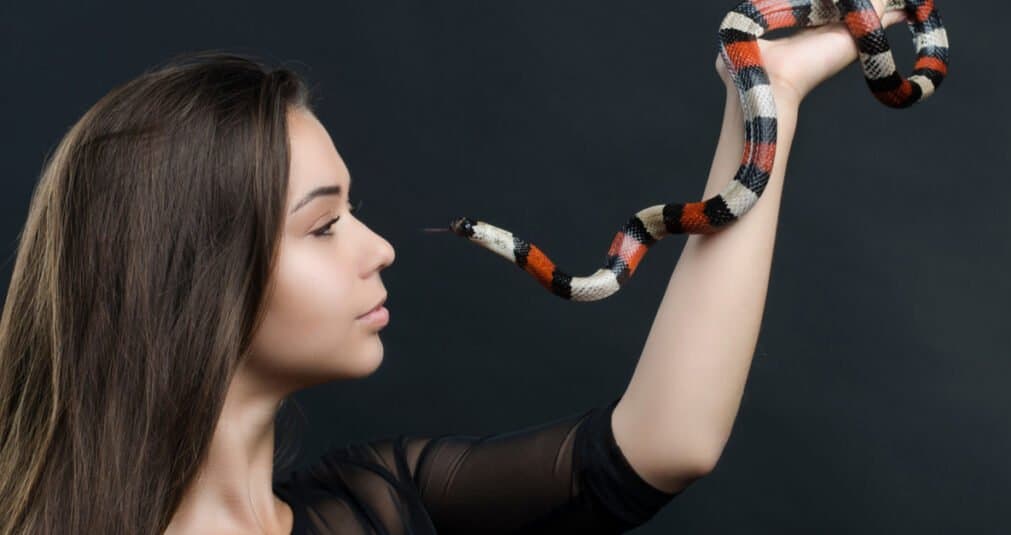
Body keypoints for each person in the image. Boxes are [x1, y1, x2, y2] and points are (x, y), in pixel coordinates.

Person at [0, 2, 907, 533]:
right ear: (190, 276)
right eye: (323, 228)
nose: (379, 245)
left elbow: (662, 444)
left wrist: (767, 96)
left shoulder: (374, 500)